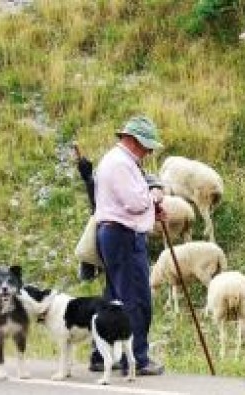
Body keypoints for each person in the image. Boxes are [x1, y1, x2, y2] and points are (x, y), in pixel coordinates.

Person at [88, 115, 165, 376]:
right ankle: (138, 359)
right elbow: (135, 202)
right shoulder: (121, 164)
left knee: (113, 299)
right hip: (124, 237)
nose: (149, 151)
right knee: (135, 299)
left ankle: (102, 355)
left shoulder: (117, 160)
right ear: (131, 140)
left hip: (114, 234)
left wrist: (151, 209)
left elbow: (128, 203)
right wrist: (154, 194)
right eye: (146, 145)